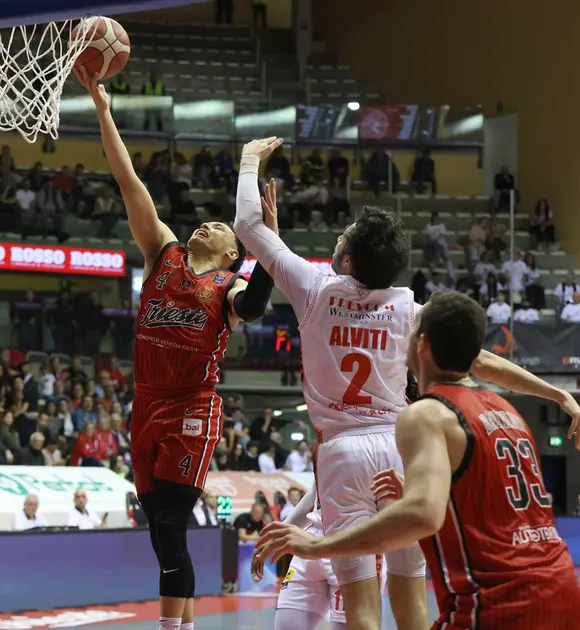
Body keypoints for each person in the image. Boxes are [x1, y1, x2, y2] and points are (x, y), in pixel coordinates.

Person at [234, 137, 580, 630]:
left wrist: (249, 161)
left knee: (360, 609)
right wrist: (558, 393)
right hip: (401, 446)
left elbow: (247, 225)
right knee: (411, 598)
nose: (338, 239)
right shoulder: (408, 309)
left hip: (344, 452)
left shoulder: (313, 286)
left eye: (344, 236)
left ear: (348, 259)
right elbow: (480, 361)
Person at [76, 68, 276, 630]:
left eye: (219, 225)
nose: (206, 223)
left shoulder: (230, 286)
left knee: (169, 523)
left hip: (192, 404)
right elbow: (127, 180)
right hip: (146, 405)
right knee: (161, 529)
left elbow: (256, 305)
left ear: (234, 253)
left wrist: (267, 243)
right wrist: (103, 109)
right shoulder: (161, 252)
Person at [255, 290, 580, 629]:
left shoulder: (429, 413)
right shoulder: (507, 411)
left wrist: (319, 545)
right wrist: (415, 487)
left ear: (421, 344)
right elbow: (483, 500)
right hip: (562, 588)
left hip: (499, 603)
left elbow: (422, 516)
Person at [252, 486, 385, 630]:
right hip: (312, 539)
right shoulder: (322, 464)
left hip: (354, 544)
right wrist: (278, 533)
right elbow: (316, 491)